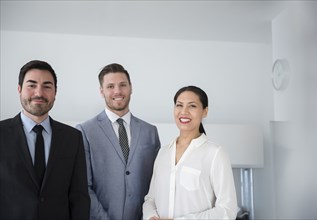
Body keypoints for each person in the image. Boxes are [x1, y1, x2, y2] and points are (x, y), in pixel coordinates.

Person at [0, 60, 90, 220]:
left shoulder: (72, 137)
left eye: (47, 86)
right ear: (19, 89)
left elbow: (79, 197)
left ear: (55, 92)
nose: (39, 93)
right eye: (31, 85)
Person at [76, 63, 161, 220]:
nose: (117, 91)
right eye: (110, 86)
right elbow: (83, 187)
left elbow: (156, 184)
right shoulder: (85, 131)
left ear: (131, 88)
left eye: (123, 85)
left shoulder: (150, 132)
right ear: (101, 91)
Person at [143, 85, 238, 219]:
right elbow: (150, 199)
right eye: (179, 105)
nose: (184, 111)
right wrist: (151, 216)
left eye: (192, 106)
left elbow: (227, 210)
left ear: (205, 111)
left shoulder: (215, 153)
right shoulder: (163, 153)